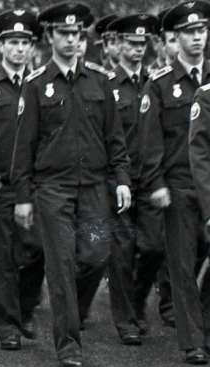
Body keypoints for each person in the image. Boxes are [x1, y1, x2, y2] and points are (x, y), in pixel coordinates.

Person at [12, 2, 132, 367]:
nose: (71, 41)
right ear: (50, 38)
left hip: (95, 187)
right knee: (61, 263)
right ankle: (68, 344)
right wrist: (22, 198)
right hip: (53, 189)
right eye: (63, 34)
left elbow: (115, 137)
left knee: (97, 253)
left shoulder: (100, 81)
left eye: (77, 35)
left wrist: (123, 180)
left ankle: (70, 313)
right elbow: (24, 145)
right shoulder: (36, 86)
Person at [142, 0, 210, 365]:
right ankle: (193, 341)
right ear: (176, 38)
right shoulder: (160, 84)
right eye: (189, 33)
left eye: (202, 31)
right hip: (179, 185)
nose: (197, 38)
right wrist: (156, 183)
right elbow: (150, 139)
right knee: (183, 265)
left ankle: (206, 326)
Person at [0, 9, 46, 351]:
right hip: (0, 184)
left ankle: (26, 308)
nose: (19, 49)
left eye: (25, 43)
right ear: (0, 47)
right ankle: (7, 325)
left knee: (37, 250)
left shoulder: (41, 84)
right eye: (12, 43)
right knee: (2, 258)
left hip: (33, 185)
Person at [104, 14, 160, 346]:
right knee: (121, 253)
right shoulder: (106, 84)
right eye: (131, 43)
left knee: (154, 246)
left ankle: (137, 302)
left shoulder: (155, 82)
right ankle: (126, 320)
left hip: (150, 178)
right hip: (117, 179)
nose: (137, 49)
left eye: (142, 43)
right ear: (117, 45)